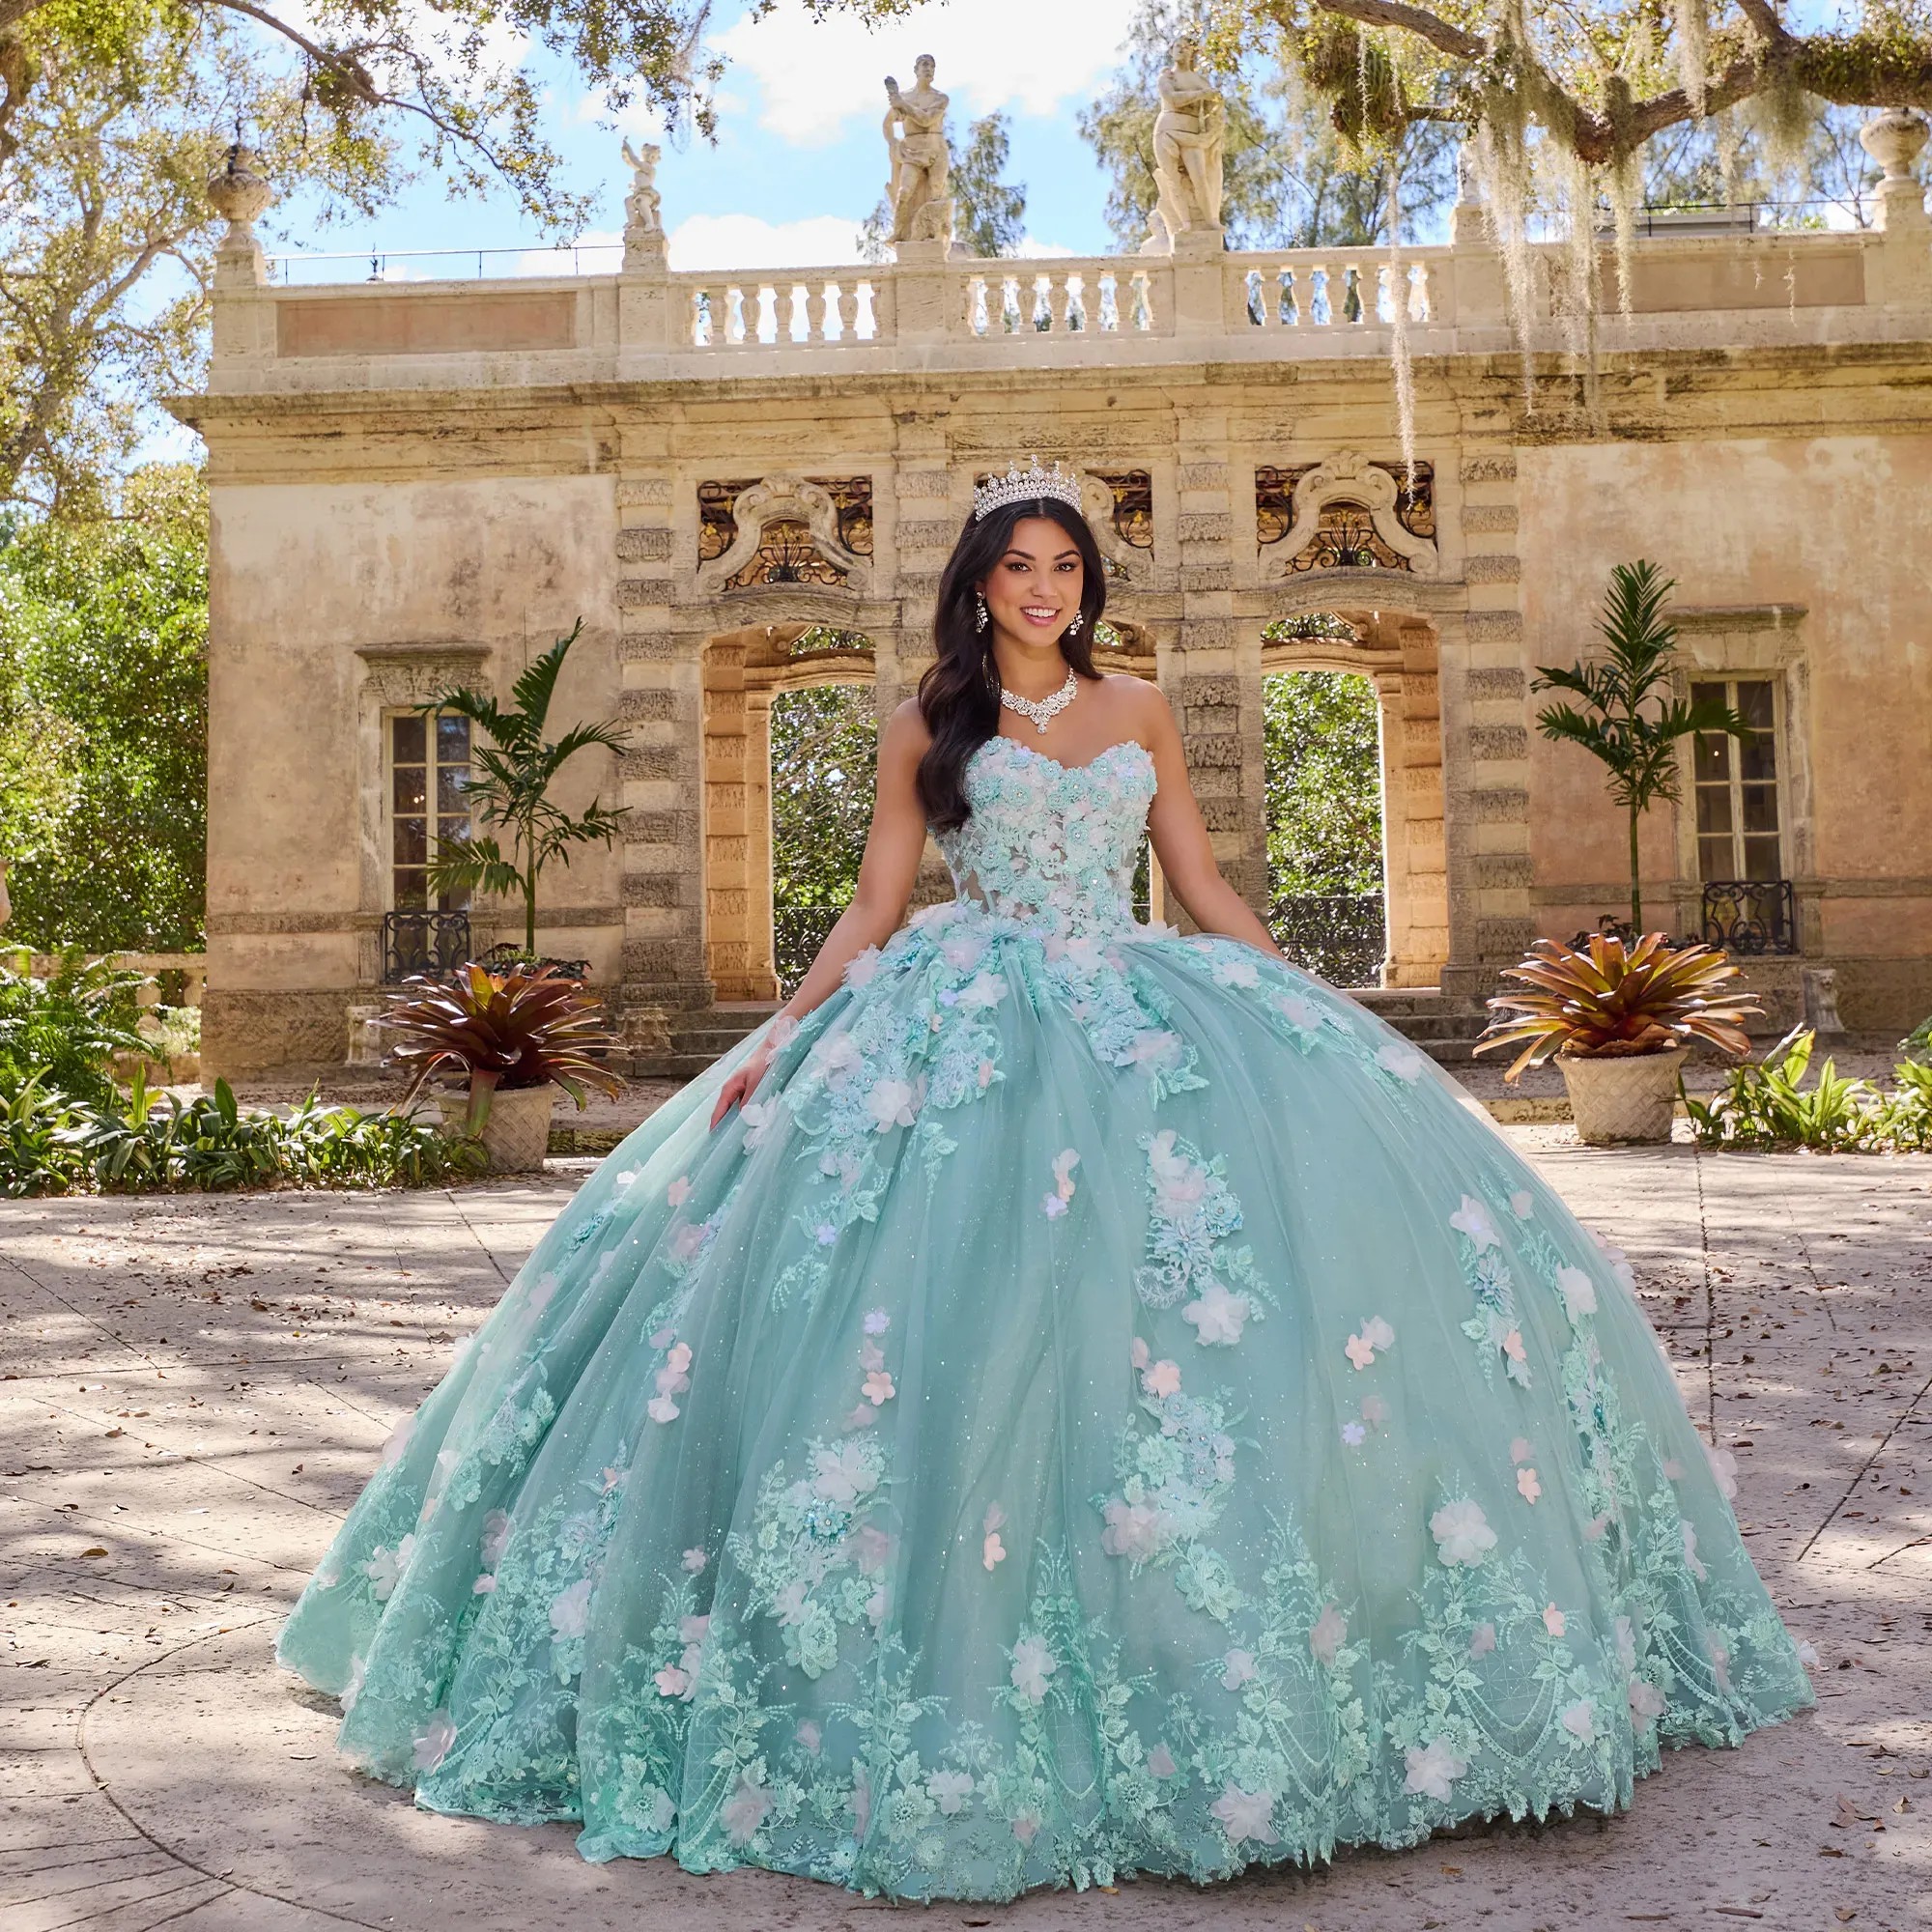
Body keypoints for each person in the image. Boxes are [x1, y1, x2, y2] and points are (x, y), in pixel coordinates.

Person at [278, 461, 1813, 1902]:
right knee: (946, 1311)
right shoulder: (927, 723)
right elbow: (877, 904)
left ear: (1089, 586)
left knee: (1207, 1309)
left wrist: (1316, 1010)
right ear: (979, 586)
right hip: (959, 1024)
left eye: (1063, 566)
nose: (1040, 587)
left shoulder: (1141, 705)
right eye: (1016, 566)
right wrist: (783, 1033)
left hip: (1134, 1008)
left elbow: (1201, 884)